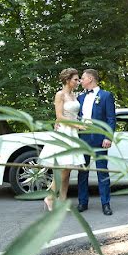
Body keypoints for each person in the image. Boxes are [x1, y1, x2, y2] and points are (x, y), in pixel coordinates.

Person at [39, 68, 85, 211]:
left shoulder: (74, 95)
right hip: (64, 132)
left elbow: (74, 114)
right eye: (75, 79)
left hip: (73, 133)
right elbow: (59, 116)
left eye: (78, 79)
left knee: (69, 168)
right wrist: (77, 125)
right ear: (67, 80)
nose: (78, 82)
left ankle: (62, 200)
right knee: (64, 168)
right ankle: (49, 197)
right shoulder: (60, 94)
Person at [76, 68, 116, 215]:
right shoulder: (80, 98)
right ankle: (82, 202)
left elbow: (111, 119)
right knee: (82, 171)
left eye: (83, 78)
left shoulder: (106, 96)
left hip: (100, 138)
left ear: (90, 79)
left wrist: (108, 137)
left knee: (102, 171)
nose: (81, 81)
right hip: (83, 138)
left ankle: (106, 204)